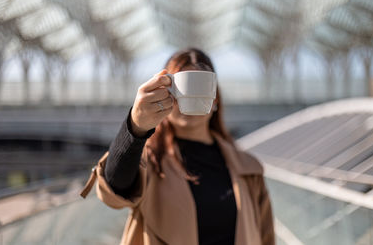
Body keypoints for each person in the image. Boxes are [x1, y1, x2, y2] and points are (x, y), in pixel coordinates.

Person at [81, 48, 275, 245]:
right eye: (179, 88)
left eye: (199, 86)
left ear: (215, 97)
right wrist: (135, 127)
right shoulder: (149, 159)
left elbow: (266, 236)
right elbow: (113, 191)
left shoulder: (248, 169)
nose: (187, 96)